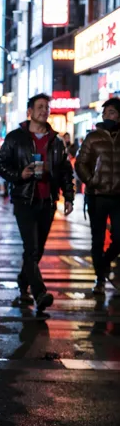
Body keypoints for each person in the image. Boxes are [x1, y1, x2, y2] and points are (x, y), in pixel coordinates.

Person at [0, 93, 74, 316]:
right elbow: (0, 164)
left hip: (48, 201)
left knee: (37, 250)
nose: (44, 111)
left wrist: (69, 196)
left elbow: (66, 171)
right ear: (30, 111)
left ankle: (23, 283)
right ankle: (39, 293)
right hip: (24, 200)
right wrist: (19, 174)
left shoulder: (56, 141)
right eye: (40, 107)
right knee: (31, 248)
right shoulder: (15, 137)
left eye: (47, 107)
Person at [75, 98, 120, 294]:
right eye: (105, 112)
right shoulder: (92, 137)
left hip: (118, 197)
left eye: (111, 112)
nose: (107, 115)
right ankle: (100, 280)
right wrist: (91, 181)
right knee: (98, 239)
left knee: (118, 237)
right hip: (97, 196)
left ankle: (103, 264)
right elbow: (80, 163)